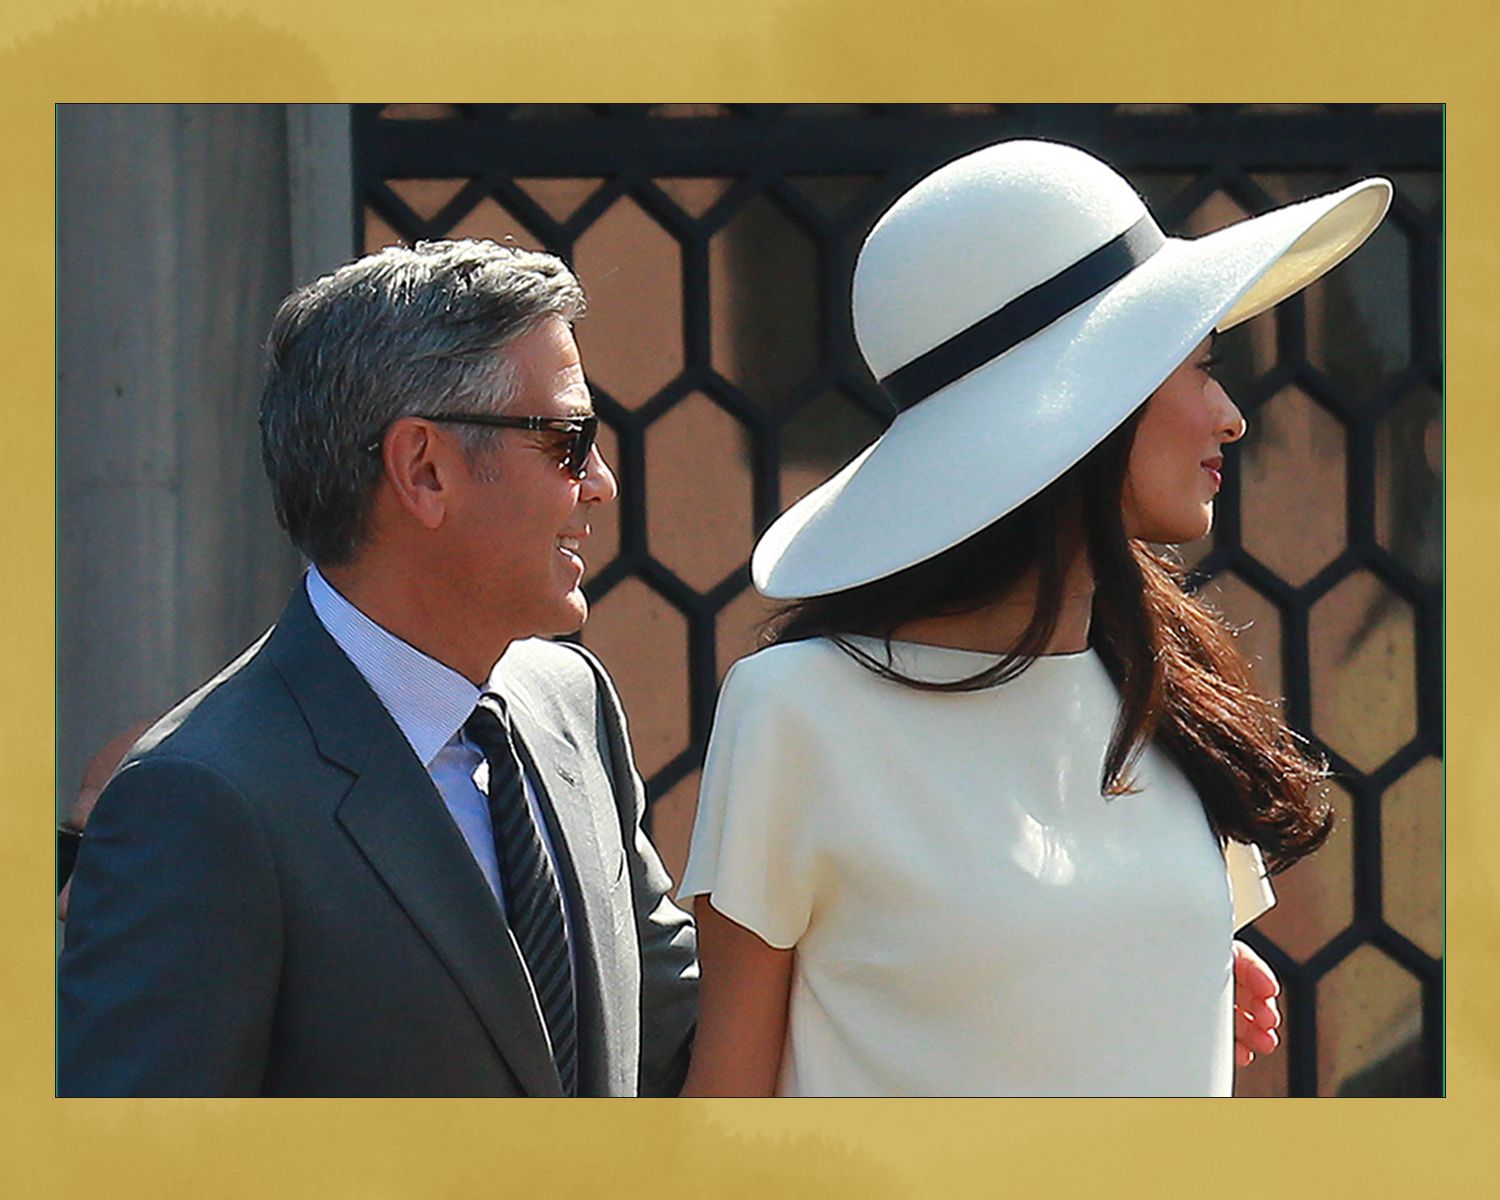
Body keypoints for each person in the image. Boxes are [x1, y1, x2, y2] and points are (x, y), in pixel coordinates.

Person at [678, 139, 1390, 1096]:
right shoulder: (797, 710)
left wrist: (1146, 972)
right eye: (1197, 366)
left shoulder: (1165, 680)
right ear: (1086, 408)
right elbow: (728, 1109)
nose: (1231, 415)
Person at [57, 239, 698, 1096]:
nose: (601, 485)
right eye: (569, 440)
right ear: (423, 468)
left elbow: (692, 1033)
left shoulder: (570, 701)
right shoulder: (201, 798)